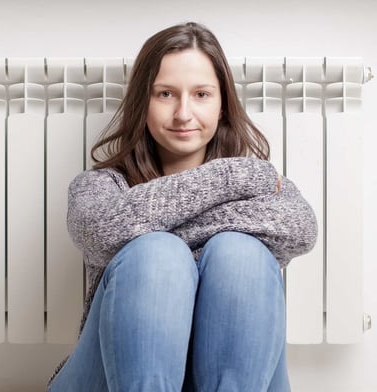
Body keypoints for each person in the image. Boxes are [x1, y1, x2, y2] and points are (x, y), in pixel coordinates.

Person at [48, 22, 317, 392]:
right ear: (143, 103)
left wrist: (162, 226)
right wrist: (232, 178)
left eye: (202, 94)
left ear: (223, 105)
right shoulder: (101, 187)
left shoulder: (266, 187)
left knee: (238, 253)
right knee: (157, 253)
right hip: (108, 380)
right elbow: (100, 231)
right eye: (165, 94)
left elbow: (302, 229)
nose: (183, 113)